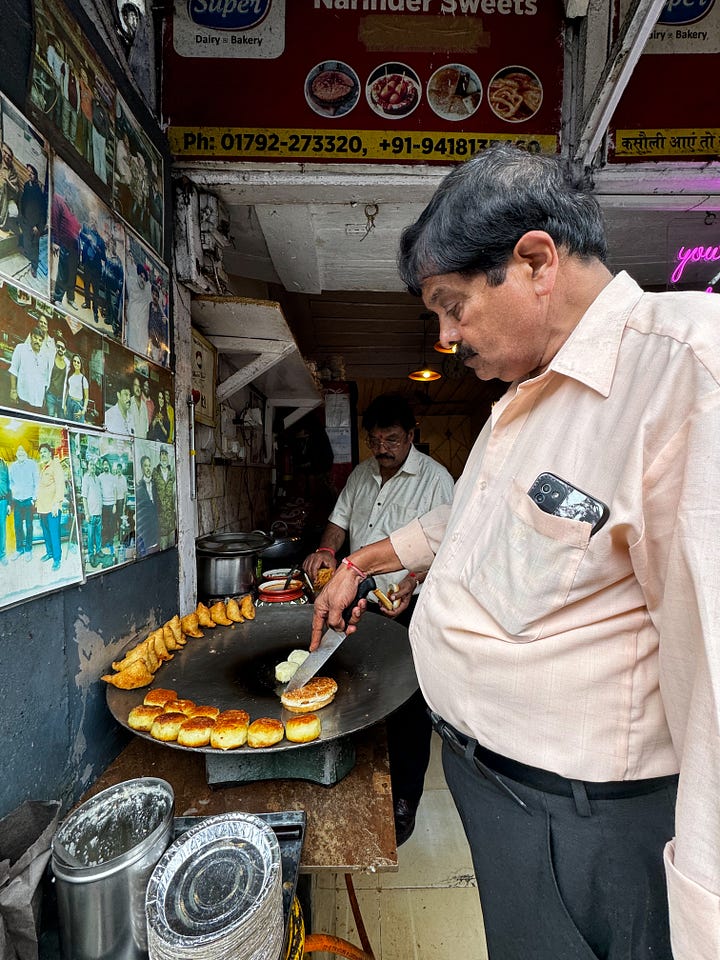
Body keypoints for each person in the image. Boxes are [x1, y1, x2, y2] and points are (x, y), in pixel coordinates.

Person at [311, 145, 720, 960]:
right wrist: (359, 564)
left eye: (452, 305)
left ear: (534, 260)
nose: (445, 335)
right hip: (497, 791)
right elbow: (462, 525)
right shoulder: (522, 399)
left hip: (590, 822)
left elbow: (713, 668)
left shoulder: (685, 372)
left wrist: (704, 913)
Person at [303, 393, 454, 846]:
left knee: (408, 707)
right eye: (375, 440)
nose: (382, 448)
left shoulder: (437, 482)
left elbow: (445, 551)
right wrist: (328, 549)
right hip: (358, 602)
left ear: (412, 436)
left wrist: (410, 584)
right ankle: (358, 777)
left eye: (392, 439)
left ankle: (404, 797)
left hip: (408, 607)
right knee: (355, 691)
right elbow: (339, 523)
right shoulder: (362, 476)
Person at [8, 325, 53, 412]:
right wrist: (13, 390)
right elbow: (13, 370)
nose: (37, 342)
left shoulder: (45, 357)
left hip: (38, 401)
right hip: (22, 397)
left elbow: (45, 381)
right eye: (35, 338)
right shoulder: (21, 348)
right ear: (30, 336)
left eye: (40, 340)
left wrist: (43, 398)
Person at [36, 443, 65, 571]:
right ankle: (50, 553)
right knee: (46, 533)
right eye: (41, 452)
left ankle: (57, 559)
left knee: (54, 533)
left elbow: (60, 485)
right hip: (42, 508)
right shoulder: (43, 468)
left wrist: (56, 503)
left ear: (50, 453)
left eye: (44, 452)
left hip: (52, 508)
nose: (42, 454)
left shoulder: (56, 466)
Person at [9, 444, 38, 562]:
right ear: (16, 454)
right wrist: (15, 492)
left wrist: (34, 498)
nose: (20, 453)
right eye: (18, 451)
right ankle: (19, 549)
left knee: (29, 526)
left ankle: (28, 550)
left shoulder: (32, 465)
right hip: (17, 501)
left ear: (26, 453)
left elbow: (37, 481)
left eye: (22, 451)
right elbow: (10, 483)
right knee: (17, 526)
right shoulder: (12, 467)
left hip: (28, 500)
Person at [51, 192, 81, 309]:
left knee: (72, 274)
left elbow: (77, 230)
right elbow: (55, 222)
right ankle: (57, 298)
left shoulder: (74, 213)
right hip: (65, 244)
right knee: (63, 272)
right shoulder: (60, 203)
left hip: (75, 248)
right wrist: (56, 241)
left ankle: (71, 298)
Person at [18, 163, 47, 279]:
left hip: (35, 225)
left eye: (32, 172)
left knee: (35, 247)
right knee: (27, 244)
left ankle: (34, 267)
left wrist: (39, 226)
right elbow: (23, 203)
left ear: (36, 174)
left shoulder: (39, 190)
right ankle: (27, 262)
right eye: (28, 172)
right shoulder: (26, 186)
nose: (30, 174)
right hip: (26, 222)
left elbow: (43, 211)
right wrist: (22, 220)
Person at [79, 217, 106, 323]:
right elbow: (80, 235)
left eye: (95, 223)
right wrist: (88, 237)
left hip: (96, 267)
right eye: (92, 222)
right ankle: (87, 303)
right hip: (87, 264)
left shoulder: (101, 240)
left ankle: (95, 310)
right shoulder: (87, 232)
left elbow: (104, 257)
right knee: (86, 285)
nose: (93, 224)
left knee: (95, 290)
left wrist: (99, 251)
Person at [135, 454, 159, 556]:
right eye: (145, 466)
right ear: (142, 468)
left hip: (156, 528)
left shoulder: (155, 484)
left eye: (149, 465)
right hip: (145, 530)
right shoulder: (139, 486)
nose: (148, 468)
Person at [153, 446, 175, 550]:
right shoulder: (155, 473)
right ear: (159, 456)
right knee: (163, 547)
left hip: (171, 518)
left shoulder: (172, 474)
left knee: (172, 546)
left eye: (165, 454)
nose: (164, 457)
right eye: (162, 454)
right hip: (160, 518)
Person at [81, 458, 102, 566]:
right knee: (90, 536)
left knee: (98, 534)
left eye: (94, 465)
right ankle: (90, 554)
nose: (93, 466)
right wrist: (87, 513)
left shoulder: (97, 479)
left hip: (98, 512)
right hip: (91, 513)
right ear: (88, 466)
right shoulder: (86, 479)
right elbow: (84, 498)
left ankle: (98, 551)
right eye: (91, 465)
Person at [45, 336, 70, 418]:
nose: (60, 349)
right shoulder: (50, 358)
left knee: (61, 419)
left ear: (65, 350)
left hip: (61, 397)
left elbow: (68, 383)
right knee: (50, 417)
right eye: (58, 346)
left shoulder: (68, 363)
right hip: (50, 394)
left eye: (62, 348)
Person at [98, 457, 117, 557]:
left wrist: (114, 504)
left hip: (111, 505)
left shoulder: (113, 477)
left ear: (109, 466)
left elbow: (115, 491)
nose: (105, 466)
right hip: (103, 505)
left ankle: (111, 540)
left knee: (112, 524)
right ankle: (105, 541)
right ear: (102, 466)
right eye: (104, 464)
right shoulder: (100, 477)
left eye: (107, 464)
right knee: (105, 524)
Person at [147, 283, 169, 365]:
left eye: (156, 295)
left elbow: (164, 334)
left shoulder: (161, 314)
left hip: (156, 347)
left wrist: (162, 351)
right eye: (153, 294)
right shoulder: (148, 307)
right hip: (147, 342)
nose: (154, 296)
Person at [64, 354, 89, 422]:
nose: (76, 363)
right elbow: (67, 390)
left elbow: (86, 397)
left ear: (81, 365)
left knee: (77, 427)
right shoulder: (70, 375)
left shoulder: (83, 379)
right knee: (68, 425)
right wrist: (65, 405)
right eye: (74, 361)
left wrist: (83, 410)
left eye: (78, 362)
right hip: (69, 402)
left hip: (77, 404)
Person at [0, 142, 19, 233]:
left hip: (6, 197)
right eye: (5, 153)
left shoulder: (12, 171)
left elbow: (16, 190)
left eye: (9, 155)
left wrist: (7, 180)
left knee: (13, 211)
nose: (7, 156)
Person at [0, 456, 10, 565]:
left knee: (2, 530)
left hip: (2, 502)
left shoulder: (3, 463)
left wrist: (9, 503)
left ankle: (2, 555)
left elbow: (8, 484)